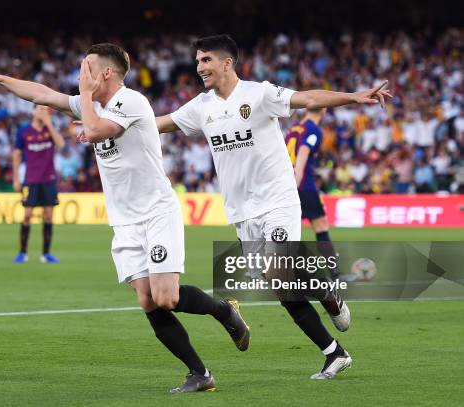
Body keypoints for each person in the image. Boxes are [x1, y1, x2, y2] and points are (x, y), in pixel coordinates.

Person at [0, 43, 250, 393]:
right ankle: (199, 373)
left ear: (106, 74)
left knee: (166, 297)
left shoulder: (131, 102)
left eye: (86, 68)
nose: (80, 75)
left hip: (156, 212)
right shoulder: (92, 103)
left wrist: (84, 97)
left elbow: (97, 131)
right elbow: (43, 94)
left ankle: (224, 312)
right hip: (124, 220)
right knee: (147, 300)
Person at [156, 34, 392, 380]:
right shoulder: (201, 106)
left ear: (227, 62)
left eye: (205, 60)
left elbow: (308, 97)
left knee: (275, 268)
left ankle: (327, 291)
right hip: (242, 211)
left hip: (277, 199)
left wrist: (354, 97)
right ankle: (334, 351)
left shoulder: (259, 94)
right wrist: (109, 129)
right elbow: (157, 125)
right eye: (197, 61)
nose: (199, 67)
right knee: (282, 285)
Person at [285, 108, 342, 280]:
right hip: (303, 185)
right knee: (320, 225)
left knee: (286, 230)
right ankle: (334, 274)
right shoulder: (313, 130)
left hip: (287, 183)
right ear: (323, 111)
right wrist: (296, 182)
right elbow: (303, 152)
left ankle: (269, 269)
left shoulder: (293, 129)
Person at [12, 105, 65, 263]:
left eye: (45, 109)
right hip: (30, 179)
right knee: (27, 215)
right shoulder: (24, 131)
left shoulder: (50, 129)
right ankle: (22, 252)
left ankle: (46, 254)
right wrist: (16, 178)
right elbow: (16, 154)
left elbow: (61, 145)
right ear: (33, 111)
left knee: (48, 215)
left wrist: (49, 124)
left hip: (48, 179)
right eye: (40, 109)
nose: (43, 112)